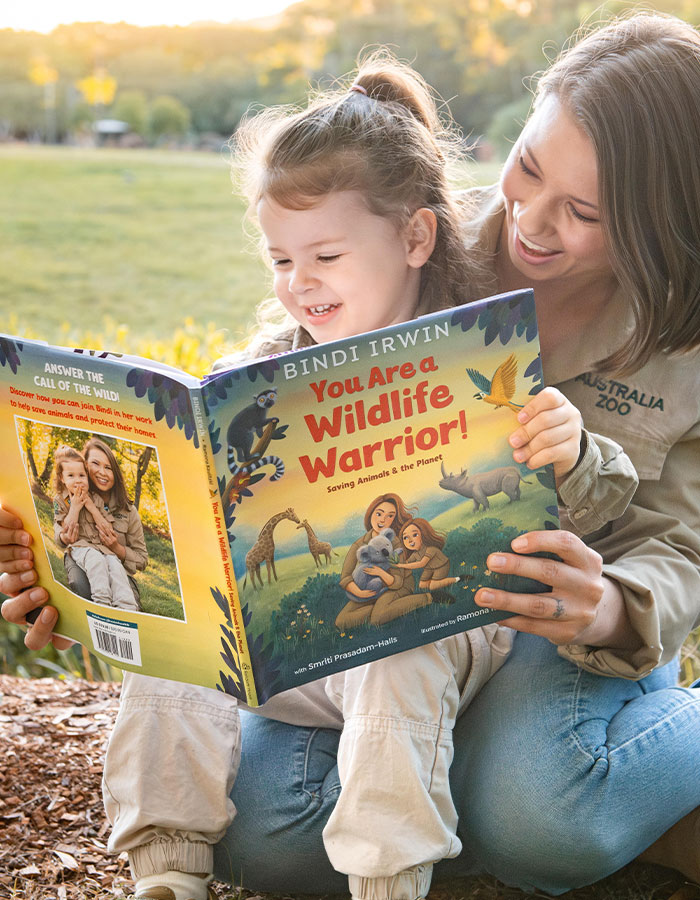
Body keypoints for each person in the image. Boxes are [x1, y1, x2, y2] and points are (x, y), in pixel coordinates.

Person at [1, 11, 697, 895]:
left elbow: (676, 545)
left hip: (549, 624)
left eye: (586, 211)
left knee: (539, 816)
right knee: (263, 833)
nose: (530, 218)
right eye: (526, 167)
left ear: (657, 216)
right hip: (345, 641)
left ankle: (526, 812)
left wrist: (608, 607)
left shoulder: (680, 335)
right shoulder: (417, 241)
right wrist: (79, 573)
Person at [51, 444, 141, 612]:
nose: (77, 480)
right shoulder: (60, 500)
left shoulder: (96, 498)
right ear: (62, 478)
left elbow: (107, 527)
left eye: (81, 475)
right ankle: (102, 603)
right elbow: (65, 531)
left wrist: (91, 506)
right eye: (71, 476)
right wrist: (76, 507)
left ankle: (127, 607)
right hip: (82, 547)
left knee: (114, 565)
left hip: (104, 549)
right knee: (96, 560)